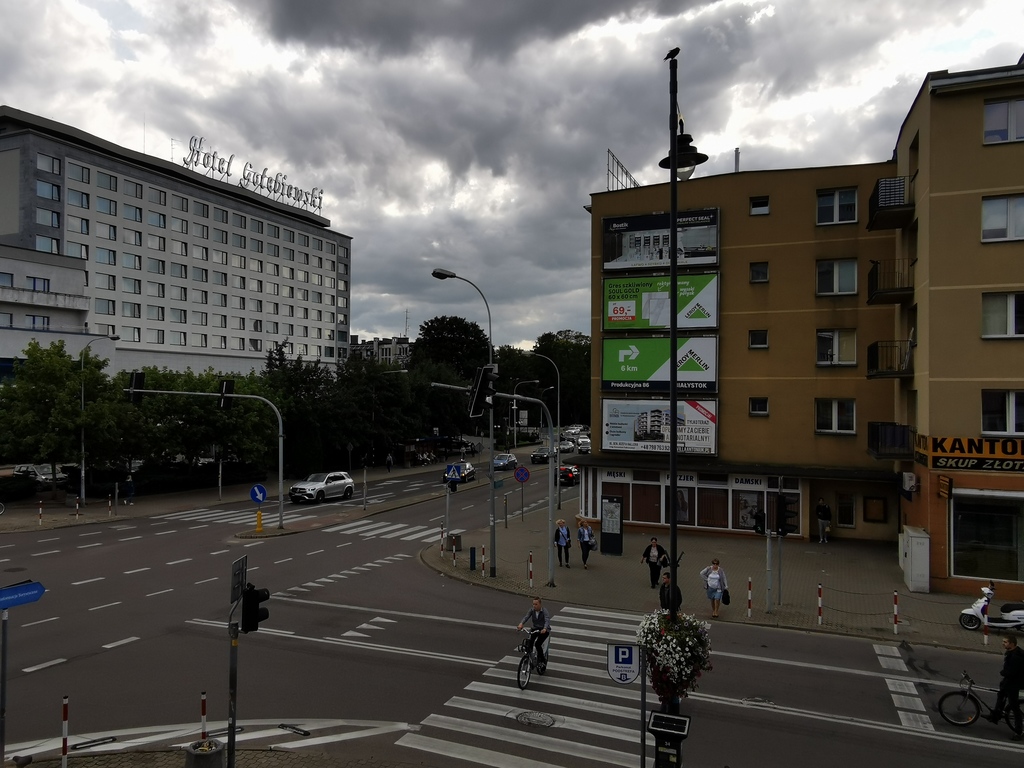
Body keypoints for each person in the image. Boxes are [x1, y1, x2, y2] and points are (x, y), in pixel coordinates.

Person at [985, 634, 1024, 738]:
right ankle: (995, 716)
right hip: (1010, 684)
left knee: (1014, 707)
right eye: (1003, 641)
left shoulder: (1016, 657)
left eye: (1005, 642)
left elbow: (1011, 672)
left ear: (1012, 644)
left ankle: (1019, 731)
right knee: (1001, 695)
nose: (1003, 643)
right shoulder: (1013, 652)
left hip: (1017, 686)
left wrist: (1003, 672)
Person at [517, 596, 551, 670]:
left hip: (543, 630)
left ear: (540, 604)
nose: (534, 606)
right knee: (529, 643)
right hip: (535, 629)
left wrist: (545, 628)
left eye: (536, 604)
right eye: (533, 604)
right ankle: (530, 657)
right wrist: (521, 624)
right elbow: (526, 617)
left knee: (538, 644)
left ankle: (542, 660)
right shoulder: (532, 610)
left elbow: (547, 620)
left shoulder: (544, 611)